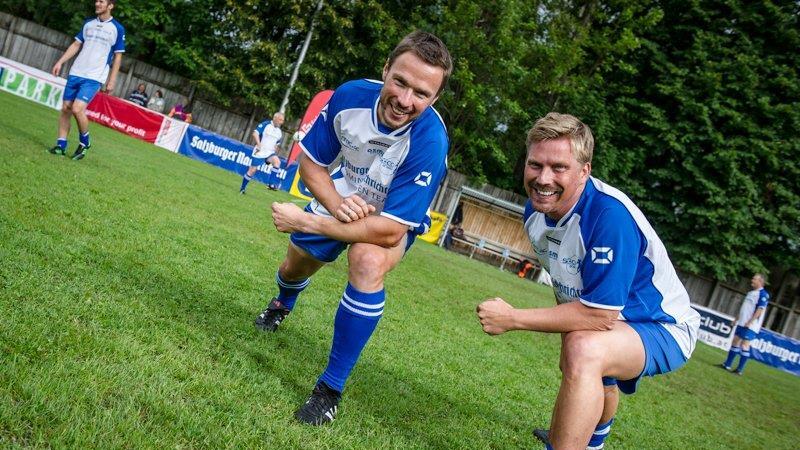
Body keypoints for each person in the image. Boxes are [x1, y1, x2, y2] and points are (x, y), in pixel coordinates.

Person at [255, 30, 452, 426]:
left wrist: (307, 219)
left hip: (393, 216)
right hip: (344, 193)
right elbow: (311, 165)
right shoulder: (348, 96)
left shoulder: (431, 140)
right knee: (294, 267)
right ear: (385, 71)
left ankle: (329, 390)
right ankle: (283, 303)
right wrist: (337, 206)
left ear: (434, 98)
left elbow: (388, 232)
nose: (405, 99)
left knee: (366, 261)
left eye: (421, 93)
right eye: (400, 82)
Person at [475, 113, 700, 450]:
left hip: (664, 326)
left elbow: (599, 315)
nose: (543, 178)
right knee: (578, 351)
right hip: (616, 317)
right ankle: (592, 440)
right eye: (535, 165)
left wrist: (512, 318)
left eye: (558, 168)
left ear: (585, 170)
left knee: (583, 349)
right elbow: (568, 288)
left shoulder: (609, 217)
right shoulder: (535, 212)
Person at [48, 0, 125, 161]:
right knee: (65, 108)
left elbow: (118, 56)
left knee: (77, 108)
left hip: (94, 77)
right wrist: (60, 62)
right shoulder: (88, 23)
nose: (97, 4)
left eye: (101, 1)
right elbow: (76, 44)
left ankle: (85, 140)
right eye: (97, 1)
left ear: (110, 6)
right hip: (76, 72)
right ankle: (61, 146)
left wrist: (112, 80)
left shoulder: (117, 28)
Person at [721, 273, 770, 375]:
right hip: (742, 323)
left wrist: (750, 322)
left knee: (745, 345)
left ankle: (739, 370)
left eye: (754, 279)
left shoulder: (763, 294)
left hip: (750, 325)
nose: (752, 280)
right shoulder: (751, 293)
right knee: (735, 342)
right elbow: (745, 308)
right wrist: (736, 319)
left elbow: (760, 310)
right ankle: (727, 365)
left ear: (760, 281)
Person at [240, 112, 284, 193]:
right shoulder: (265, 124)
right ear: (275, 118)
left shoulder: (279, 132)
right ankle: (242, 189)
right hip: (260, 151)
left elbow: (277, 143)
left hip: (270, 153)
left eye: (282, 120)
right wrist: (259, 144)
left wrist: (275, 148)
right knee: (252, 170)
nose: (282, 122)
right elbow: (255, 133)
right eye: (280, 120)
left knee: (277, 162)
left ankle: (271, 184)